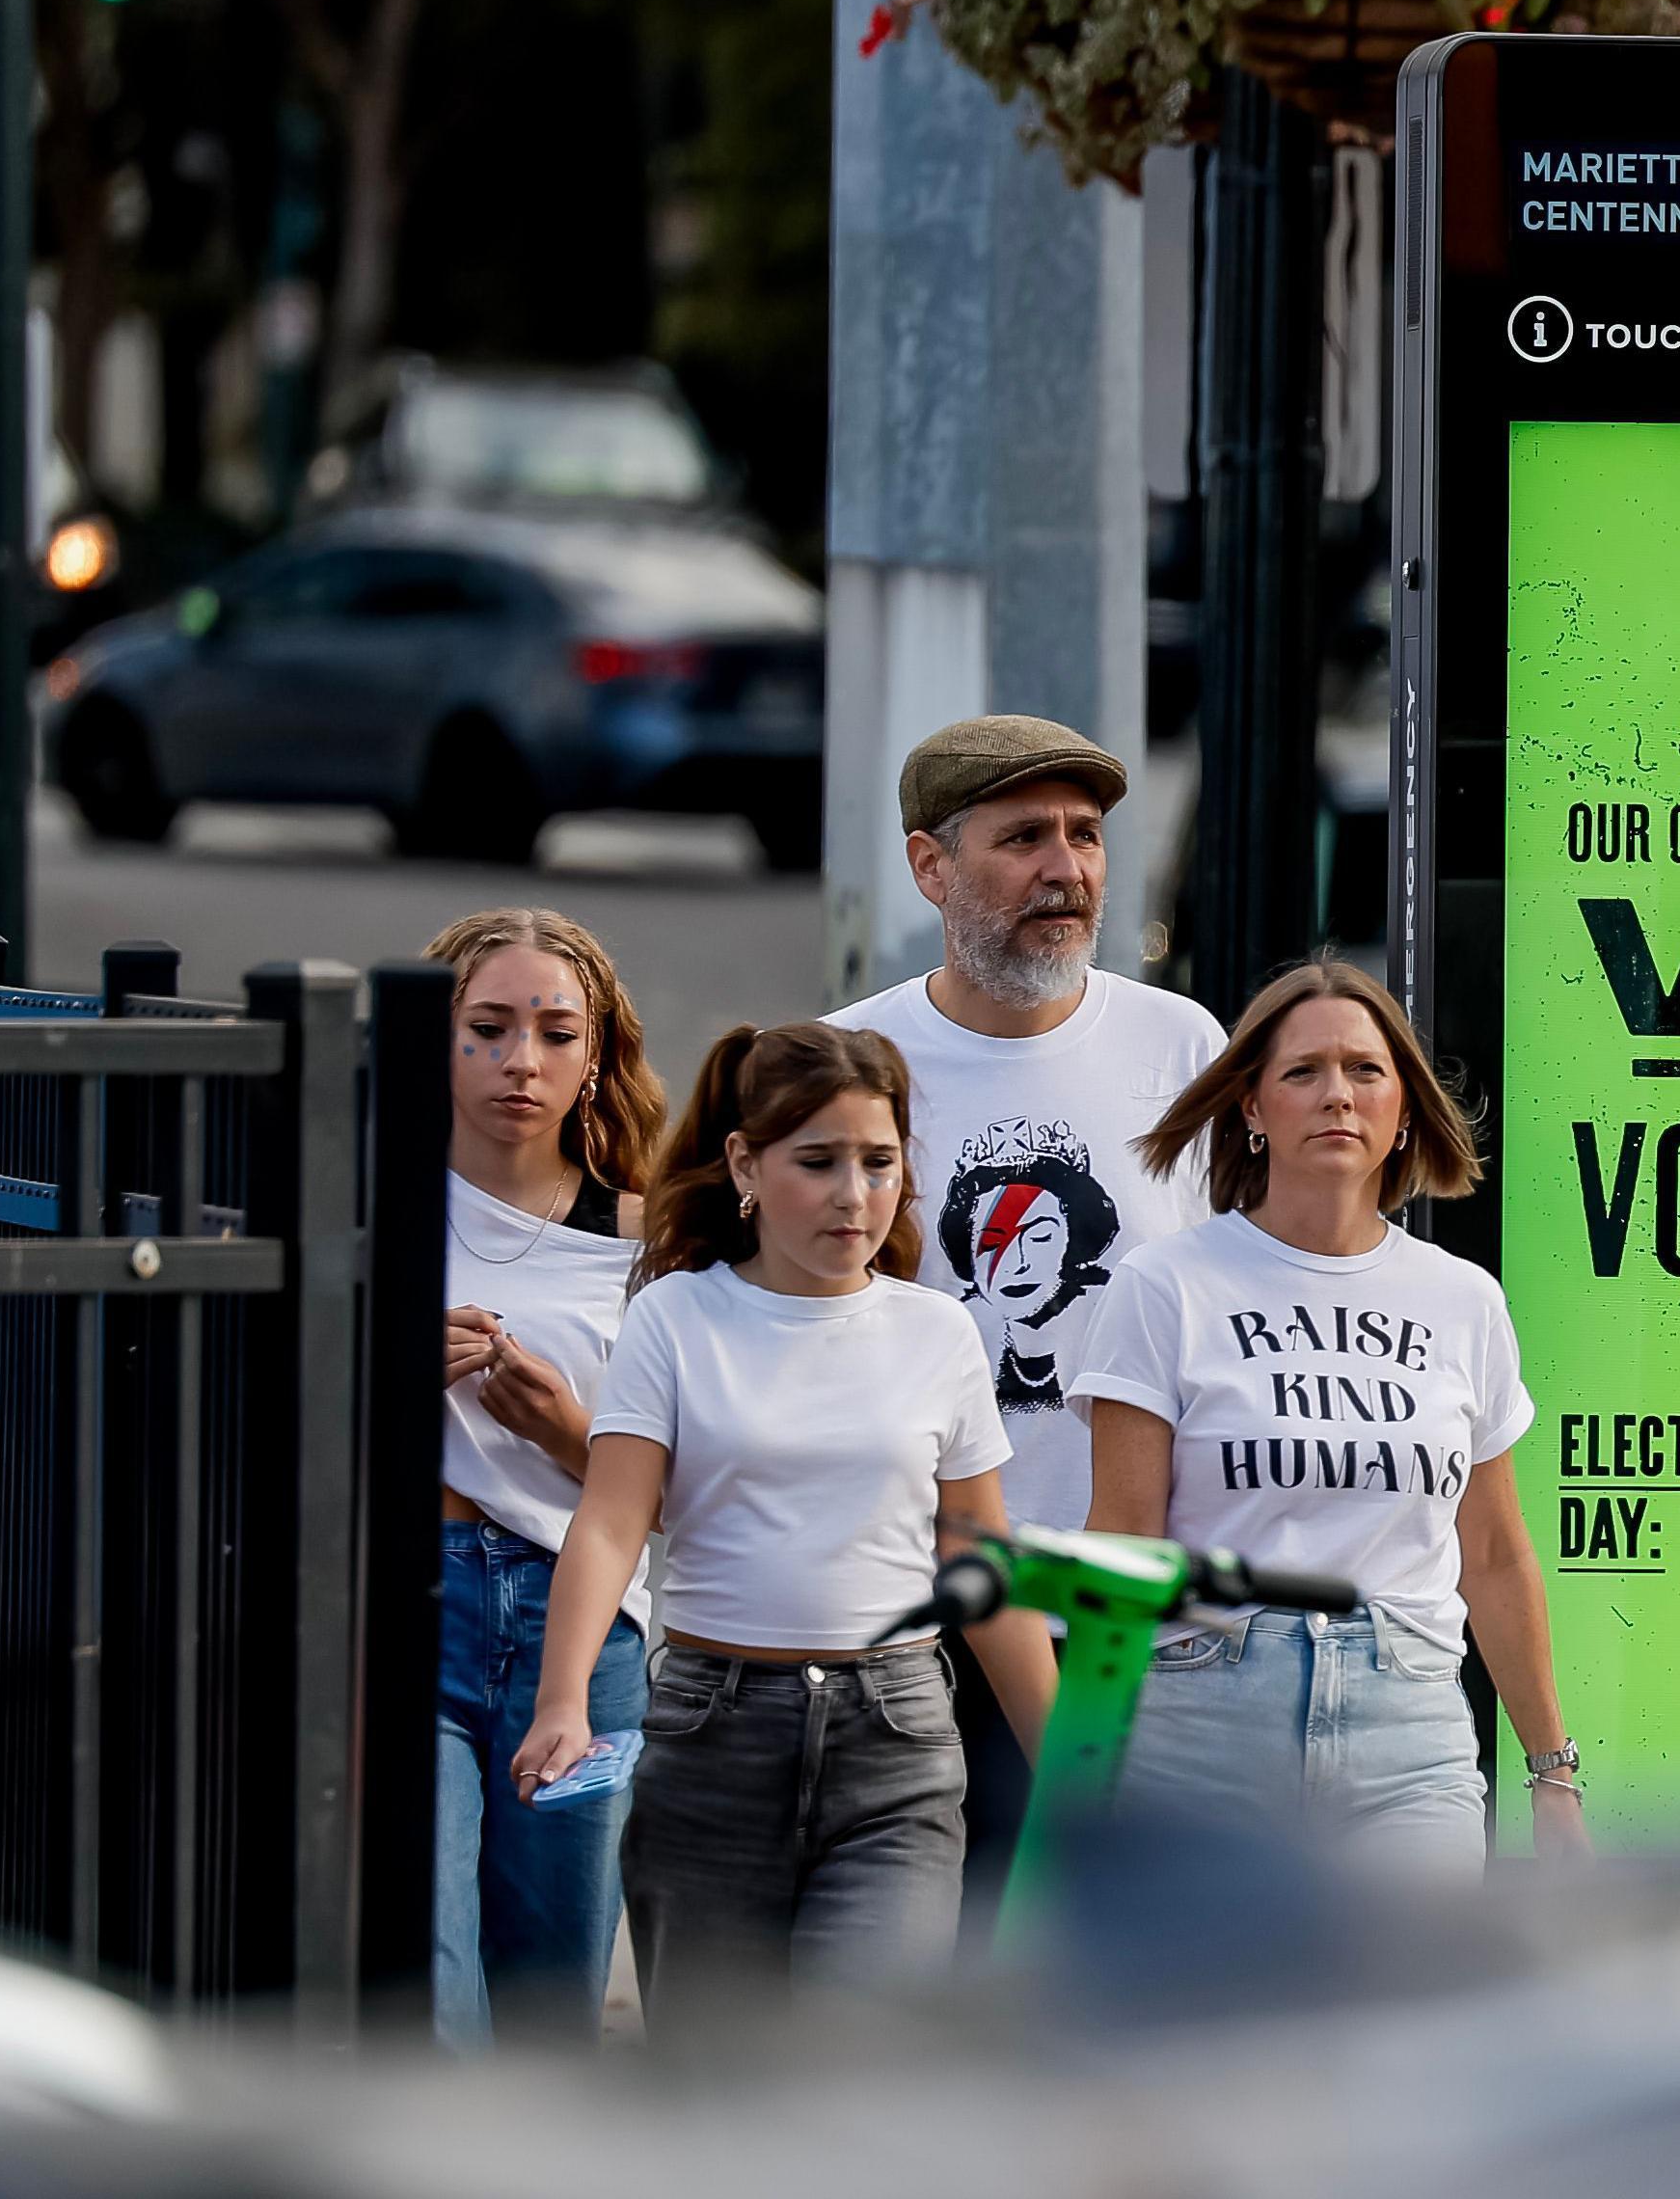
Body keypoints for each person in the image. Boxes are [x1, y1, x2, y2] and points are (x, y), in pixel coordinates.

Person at [514, 1023, 1059, 2024]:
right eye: (817, 1161)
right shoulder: (676, 1316)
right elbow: (609, 1521)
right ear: (743, 1165)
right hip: (710, 1736)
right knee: (715, 2100)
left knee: (862, 2076)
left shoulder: (937, 1331)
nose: (854, 1193)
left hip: (895, 1743)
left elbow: (983, 1554)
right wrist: (562, 1699)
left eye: (878, 1161)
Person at [1073, 962, 1587, 1874]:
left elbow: (1498, 1556)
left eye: (1365, 1070)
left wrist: (1553, 1775)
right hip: (1203, 1713)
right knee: (1213, 2014)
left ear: (1402, 1110)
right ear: (1252, 1109)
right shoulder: (1165, 1287)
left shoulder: (1462, 1300)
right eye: (1302, 1071)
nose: (1336, 1095)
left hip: (1410, 1731)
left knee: (1413, 2007)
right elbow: (1122, 1541)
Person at [825, 716, 1224, 1530]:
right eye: (1024, 838)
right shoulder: (838, 1061)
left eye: (1086, 835)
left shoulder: (1183, 1045)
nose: (1066, 869)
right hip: (907, 1593)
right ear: (929, 865)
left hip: (1132, 1591)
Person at [425, 906, 666, 2049]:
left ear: (596, 1054)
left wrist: (573, 1430)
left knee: (554, 1989)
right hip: (412, 1608)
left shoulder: (644, 1237)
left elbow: (692, 1488)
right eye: (487, 1026)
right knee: (431, 1974)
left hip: (587, 1636)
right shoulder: (372, 1200)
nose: (522, 1060)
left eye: (556, 1032)